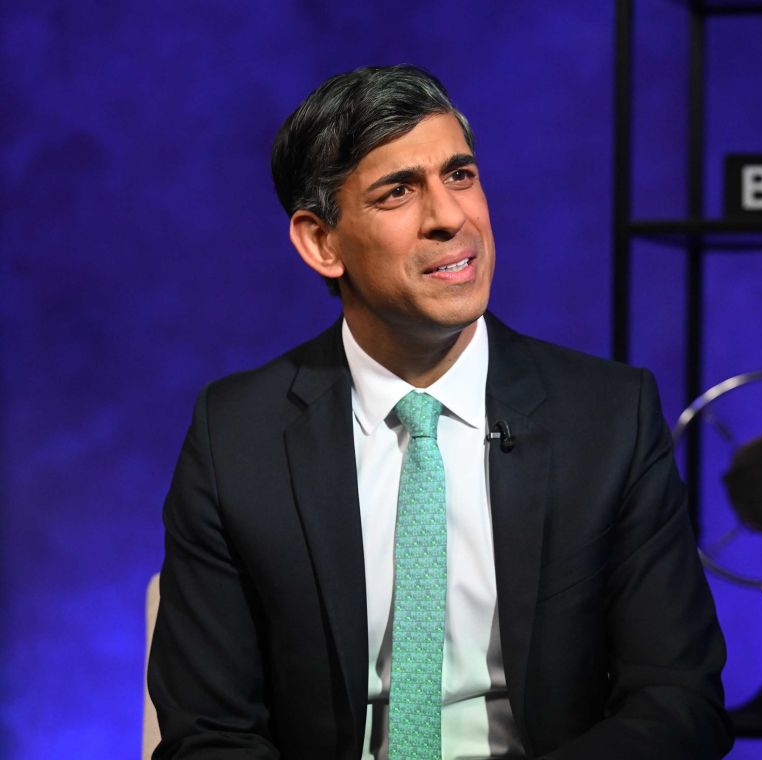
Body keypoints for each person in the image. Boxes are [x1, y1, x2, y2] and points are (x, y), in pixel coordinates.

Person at [148, 64, 732, 760]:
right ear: (321, 243)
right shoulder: (236, 436)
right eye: (398, 191)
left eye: (460, 175)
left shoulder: (610, 418)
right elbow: (209, 731)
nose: (450, 217)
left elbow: (678, 701)